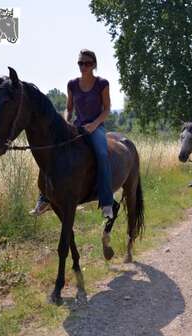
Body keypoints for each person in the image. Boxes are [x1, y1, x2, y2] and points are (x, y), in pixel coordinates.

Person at [29, 49, 115, 220]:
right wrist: (66, 122)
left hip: (95, 127)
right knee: (52, 153)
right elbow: (69, 109)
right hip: (76, 126)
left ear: (94, 65)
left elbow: (106, 109)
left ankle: (106, 202)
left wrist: (94, 125)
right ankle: (44, 198)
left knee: (102, 154)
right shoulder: (72, 84)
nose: (83, 66)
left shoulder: (102, 84)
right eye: (81, 63)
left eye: (87, 63)